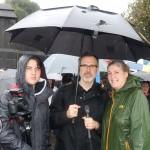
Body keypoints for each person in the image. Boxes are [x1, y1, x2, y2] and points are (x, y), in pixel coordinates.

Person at [50, 52, 109, 150]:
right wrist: (66, 115)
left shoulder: (103, 96)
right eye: (84, 65)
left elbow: (110, 128)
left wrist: (97, 125)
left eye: (92, 66)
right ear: (78, 68)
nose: (88, 70)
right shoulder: (63, 91)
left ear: (97, 69)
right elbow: (50, 121)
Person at [0, 55, 53, 150]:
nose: (34, 72)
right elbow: (4, 134)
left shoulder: (43, 98)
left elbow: (46, 131)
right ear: (21, 71)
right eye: (29, 68)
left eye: (37, 68)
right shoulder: (8, 97)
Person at [101, 60, 150, 150]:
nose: (112, 76)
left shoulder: (136, 95)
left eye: (117, 72)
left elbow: (141, 136)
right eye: (109, 73)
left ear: (126, 74)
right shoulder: (112, 98)